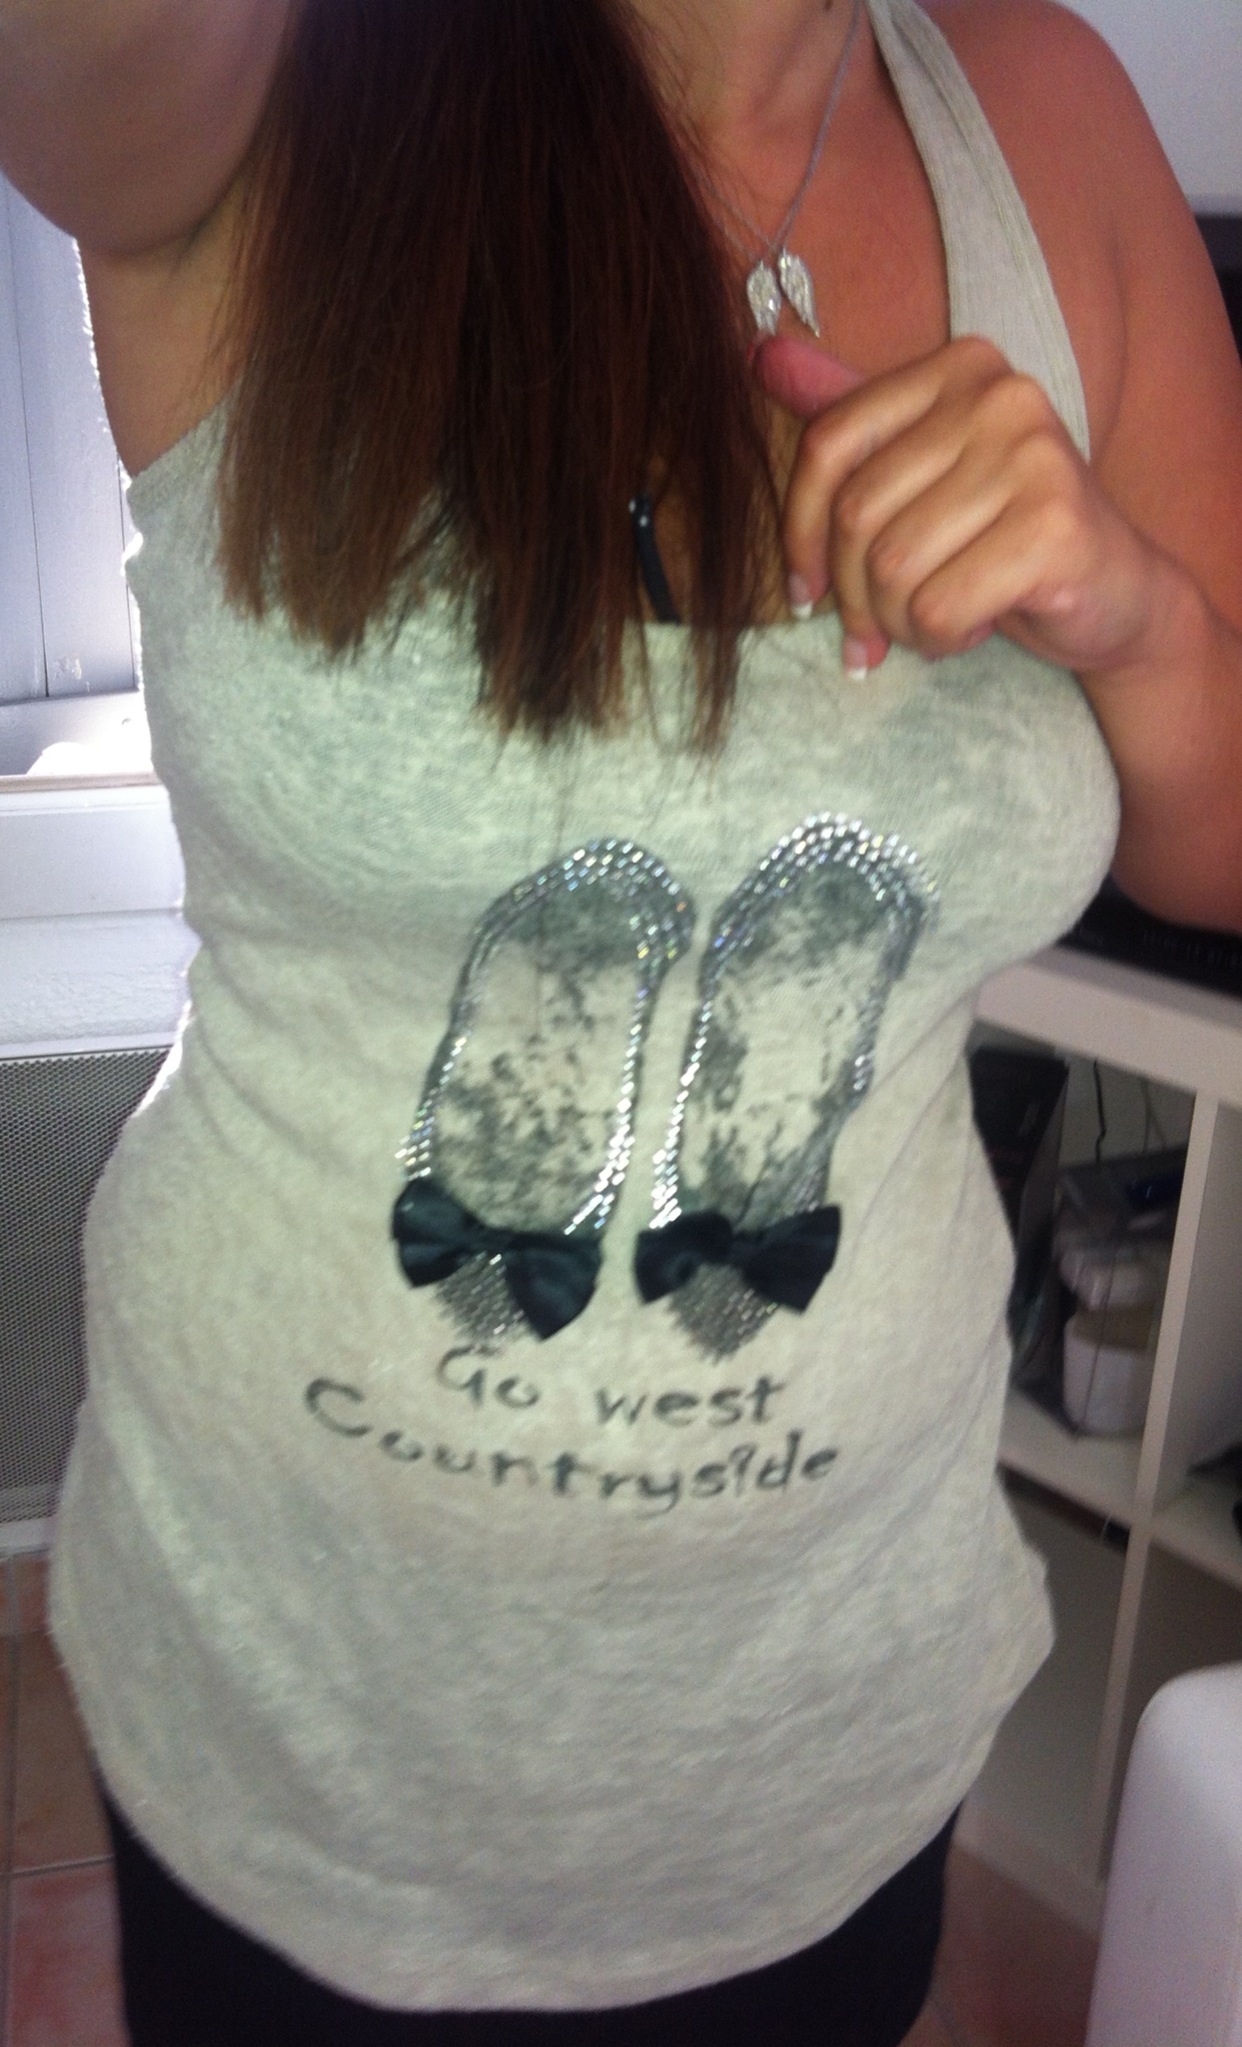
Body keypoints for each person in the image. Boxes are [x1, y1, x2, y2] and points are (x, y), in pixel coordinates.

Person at [3, 0, 1242, 2041]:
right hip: (292, 1724)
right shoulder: (262, 82)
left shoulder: (1048, 116)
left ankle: (705, 1148)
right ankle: (537, 1148)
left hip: (821, 1722)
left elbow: (1218, 854)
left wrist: (1136, 613)